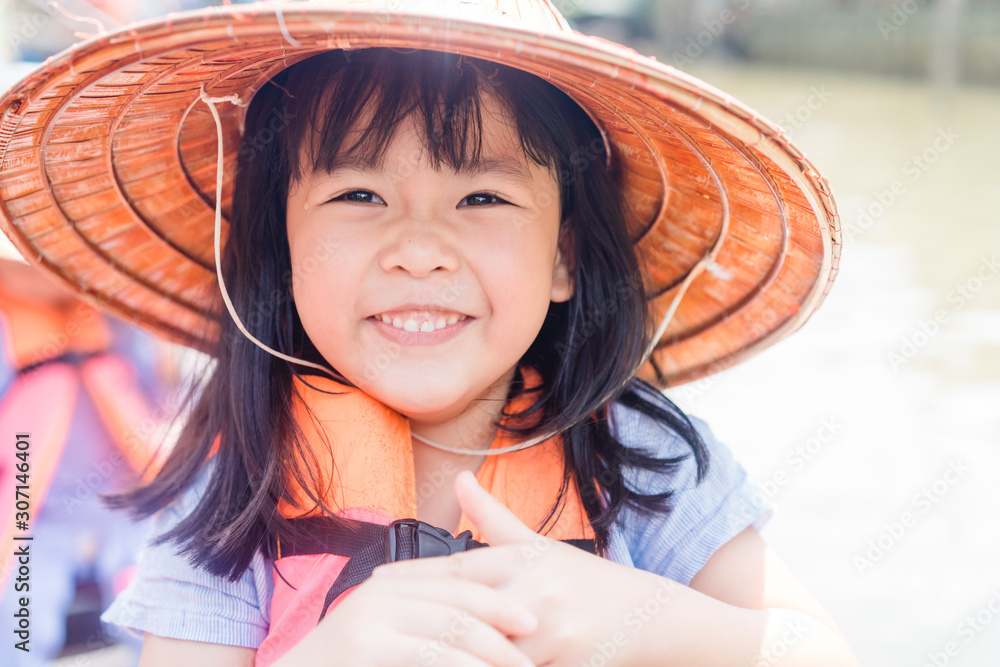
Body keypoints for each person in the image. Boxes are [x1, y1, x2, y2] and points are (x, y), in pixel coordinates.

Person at [0, 1, 856, 665]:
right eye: (358, 196)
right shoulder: (239, 483)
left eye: (483, 198)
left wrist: (642, 618)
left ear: (564, 256)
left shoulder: (643, 461)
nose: (417, 250)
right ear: (282, 245)